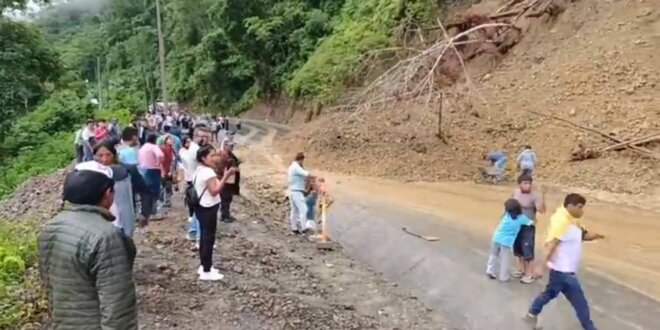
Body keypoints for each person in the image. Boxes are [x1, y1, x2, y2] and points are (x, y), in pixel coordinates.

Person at [38, 169, 137, 329]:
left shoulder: (53, 226)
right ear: (107, 194)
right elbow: (117, 301)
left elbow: (48, 283)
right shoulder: (106, 235)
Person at [524, 193, 604, 330]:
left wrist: (600, 235)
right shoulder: (562, 223)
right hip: (564, 272)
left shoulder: (571, 221)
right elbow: (551, 245)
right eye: (579, 207)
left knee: (550, 293)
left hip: (561, 272)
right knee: (580, 303)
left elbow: (582, 235)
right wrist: (540, 266)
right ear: (570, 206)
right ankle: (590, 328)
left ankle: (532, 313)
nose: (582, 211)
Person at [193, 145, 236, 281]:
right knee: (208, 239)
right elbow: (214, 191)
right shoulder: (208, 172)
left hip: (200, 207)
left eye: (214, 155)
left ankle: (205, 266)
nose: (214, 158)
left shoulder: (200, 170)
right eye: (211, 156)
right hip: (208, 207)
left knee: (204, 237)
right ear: (203, 158)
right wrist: (226, 176)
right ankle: (206, 270)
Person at [486, 198, 531, 282]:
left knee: (493, 255)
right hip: (506, 242)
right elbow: (530, 223)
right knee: (505, 259)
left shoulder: (506, 215)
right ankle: (503, 276)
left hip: (496, 237)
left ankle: (490, 270)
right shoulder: (521, 218)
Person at [512, 174, 546, 284]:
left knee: (528, 250)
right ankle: (521, 269)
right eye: (525, 183)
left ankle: (529, 273)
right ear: (520, 184)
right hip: (516, 225)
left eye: (529, 183)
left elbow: (541, 210)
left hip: (528, 226)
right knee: (518, 249)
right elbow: (510, 205)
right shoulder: (516, 192)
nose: (528, 186)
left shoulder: (535, 195)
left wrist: (542, 197)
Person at [138, 133, 164, 220]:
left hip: (142, 170)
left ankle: (145, 212)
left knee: (145, 192)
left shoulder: (142, 147)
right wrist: (158, 162)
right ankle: (153, 211)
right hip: (153, 169)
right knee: (154, 192)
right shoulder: (154, 147)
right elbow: (160, 155)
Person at [288, 152, 315, 234]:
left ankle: (294, 228)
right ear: (301, 159)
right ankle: (304, 228)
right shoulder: (296, 167)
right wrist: (315, 177)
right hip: (297, 191)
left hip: (292, 191)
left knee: (294, 211)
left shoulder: (292, 167)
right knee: (303, 210)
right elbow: (306, 174)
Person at [220, 141, 240, 223]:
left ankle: (226, 214)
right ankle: (224, 216)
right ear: (225, 146)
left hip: (231, 181)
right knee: (225, 199)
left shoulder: (231, 155)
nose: (232, 147)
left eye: (232, 146)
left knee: (228, 198)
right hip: (226, 181)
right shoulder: (224, 156)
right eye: (230, 146)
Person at [159, 135, 176, 209]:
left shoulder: (171, 149)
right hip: (165, 169)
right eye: (169, 139)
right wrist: (163, 170)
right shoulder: (164, 149)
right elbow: (161, 161)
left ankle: (167, 200)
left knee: (168, 185)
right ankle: (163, 201)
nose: (171, 140)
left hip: (170, 168)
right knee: (164, 185)